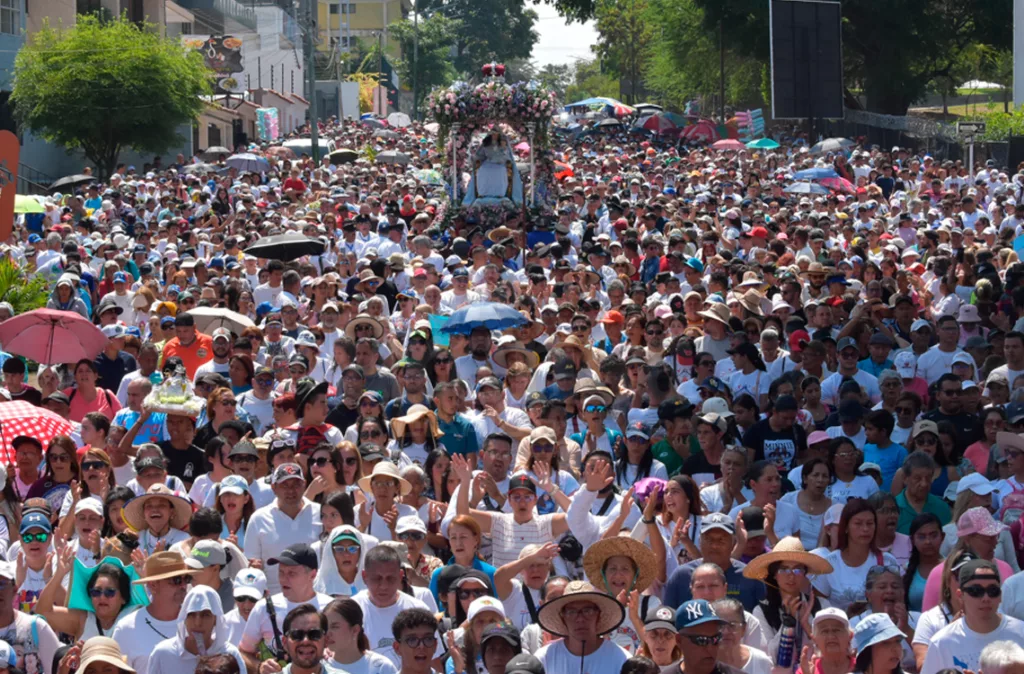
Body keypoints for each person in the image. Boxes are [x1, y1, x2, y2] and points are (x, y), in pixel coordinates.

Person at [921, 559, 1024, 674]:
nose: (986, 598)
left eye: (992, 590)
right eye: (976, 591)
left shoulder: (1021, 632)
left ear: (1000, 595)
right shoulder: (941, 643)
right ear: (960, 595)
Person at [109, 552, 196, 674]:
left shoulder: (197, 621)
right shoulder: (126, 628)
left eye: (186, 579)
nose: (183, 585)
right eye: (176, 580)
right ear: (153, 585)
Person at [351, 545, 437, 666]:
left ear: (401, 576)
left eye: (390, 578)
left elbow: (433, 661)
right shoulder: (350, 611)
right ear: (365, 577)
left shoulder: (419, 610)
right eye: (377, 578)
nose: (384, 586)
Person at [663, 513, 766, 612]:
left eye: (721, 540)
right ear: (700, 541)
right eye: (709, 539)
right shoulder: (681, 576)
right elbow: (668, 620)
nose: (715, 546)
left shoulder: (750, 577)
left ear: (733, 542)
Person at [243, 463, 321, 594]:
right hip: (274, 599)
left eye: (296, 484)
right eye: (285, 485)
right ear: (274, 488)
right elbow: (251, 564)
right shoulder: (258, 519)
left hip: (314, 597)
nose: (291, 490)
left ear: (304, 485)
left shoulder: (320, 513)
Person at [533, 580, 630, 674]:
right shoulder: (544, 658)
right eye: (572, 612)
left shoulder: (621, 659)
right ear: (563, 618)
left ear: (598, 615)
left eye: (587, 611)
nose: (580, 619)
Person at [147, 585, 246, 674]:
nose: (197, 623)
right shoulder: (163, 654)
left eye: (205, 615)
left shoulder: (230, 655)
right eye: (191, 615)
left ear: (215, 619)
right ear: (184, 618)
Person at [322, 598, 398, 674]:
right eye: (325, 627)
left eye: (335, 627)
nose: (327, 633)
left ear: (355, 630)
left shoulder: (382, 667)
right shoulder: (320, 667)